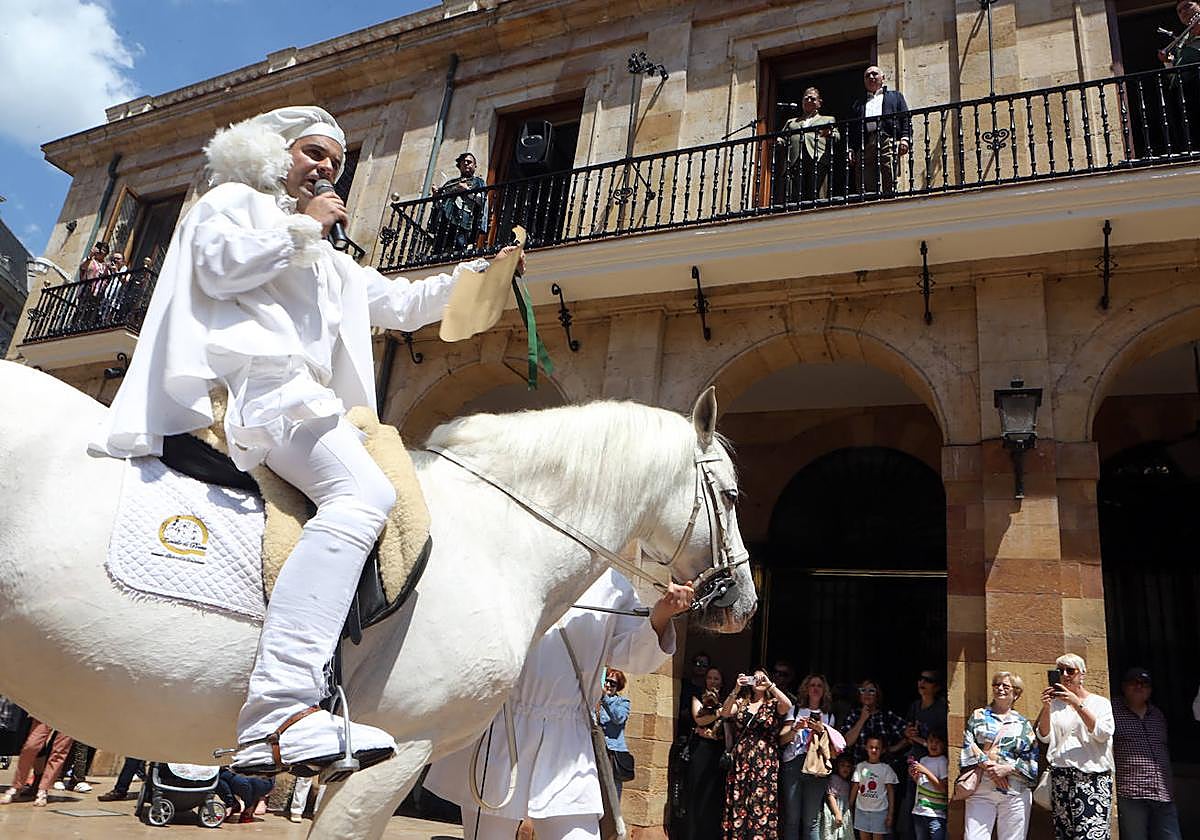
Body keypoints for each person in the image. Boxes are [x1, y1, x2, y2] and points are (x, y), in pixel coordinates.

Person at [90, 105, 522, 775]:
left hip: (307, 400)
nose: (325, 168)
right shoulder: (234, 200)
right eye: (313, 153)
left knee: (368, 494)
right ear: (279, 152)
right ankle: (281, 709)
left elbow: (404, 306)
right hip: (261, 390)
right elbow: (217, 267)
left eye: (336, 161)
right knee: (361, 494)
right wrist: (303, 224)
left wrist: (484, 274)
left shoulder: (331, 261)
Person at [424, 569, 692, 840]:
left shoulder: (611, 583)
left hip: (569, 740)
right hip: (503, 730)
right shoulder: (515, 556)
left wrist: (661, 615)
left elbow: (632, 657)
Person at [1036, 654, 1115, 840]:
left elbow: (1103, 733)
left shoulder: (1100, 703)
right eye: (1060, 671)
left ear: (1082, 674)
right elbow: (1044, 737)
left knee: (1091, 836)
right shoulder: (1054, 706)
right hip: (1061, 777)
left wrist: (1076, 703)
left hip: (1092, 778)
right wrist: (1047, 708)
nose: (1065, 675)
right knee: (1065, 835)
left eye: (1070, 670)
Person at [962, 671, 1039, 840]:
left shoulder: (1023, 724)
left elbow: (1032, 759)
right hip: (981, 788)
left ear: (1016, 693)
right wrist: (992, 769)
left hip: (1014, 791)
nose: (1000, 688)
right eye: (996, 685)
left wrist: (1007, 769)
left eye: (1006, 685)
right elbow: (968, 744)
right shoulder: (978, 715)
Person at [720, 668, 793, 840]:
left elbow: (788, 705)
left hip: (764, 761)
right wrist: (736, 689)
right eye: (756, 678)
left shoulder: (773, 704)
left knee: (761, 803)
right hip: (741, 760)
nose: (759, 681)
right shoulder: (741, 702)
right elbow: (724, 713)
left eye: (762, 677)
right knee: (740, 801)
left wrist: (771, 685)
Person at [1111, 667, 1182, 840]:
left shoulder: (1157, 714)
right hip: (1131, 792)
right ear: (1123, 686)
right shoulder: (1112, 710)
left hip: (1162, 792)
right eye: (1133, 683)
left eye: (1144, 684)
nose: (1139, 687)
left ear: (1150, 689)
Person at [780, 673, 846, 840]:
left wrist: (822, 730)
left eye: (819, 686)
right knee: (792, 819)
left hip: (817, 767)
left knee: (811, 820)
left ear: (824, 691)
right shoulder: (794, 710)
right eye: (812, 685)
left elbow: (834, 747)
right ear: (806, 689)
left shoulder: (829, 716)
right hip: (793, 764)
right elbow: (781, 740)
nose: (815, 689)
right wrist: (796, 728)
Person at [898, 670, 948, 839]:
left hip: (934, 764)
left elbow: (941, 740)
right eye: (920, 678)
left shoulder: (942, 709)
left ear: (937, 686)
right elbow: (909, 732)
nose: (922, 682)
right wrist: (908, 732)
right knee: (913, 805)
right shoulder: (915, 706)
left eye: (928, 680)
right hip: (916, 761)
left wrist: (921, 741)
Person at [847, 66, 911, 197]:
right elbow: (853, 128)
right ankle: (870, 202)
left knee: (888, 171)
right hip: (865, 142)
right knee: (864, 176)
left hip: (886, 138)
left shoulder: (895, 96)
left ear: (883, 78)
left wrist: (905, 138)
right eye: (867, 75)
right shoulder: (858, 103)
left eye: (874, 74)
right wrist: (851, 148)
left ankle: (889, 198)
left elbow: (905, 119)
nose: (871, 77)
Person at [685, 666, 727, 840]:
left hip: (717, 751)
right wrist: (719, 712)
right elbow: (699, 719)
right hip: (700, 750)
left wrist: (715, 735)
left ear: (722, 682)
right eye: (710, 678)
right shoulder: (697, 697)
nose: (713, 681)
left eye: (716, 678)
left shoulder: (727, 700)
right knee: (696, 792)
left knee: (713, 796)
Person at [778, 88, 840, 202]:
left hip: (817, 158)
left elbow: (837, 137)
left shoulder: (828, 119)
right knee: (794, 196)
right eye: (806, 98)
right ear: (802, 102)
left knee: (817, 195)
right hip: (795, 160)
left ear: (819, 103)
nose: (809, 100)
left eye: (813, 98)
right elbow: (782, 139)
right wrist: (778, 141)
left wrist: (830, 133)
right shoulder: (792, 122)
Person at [0, 718, 74, 807]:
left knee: (60, 751)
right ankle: (17, 786)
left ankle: (43, 789)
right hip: (47, 709)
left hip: (72, 713)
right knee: (31, 746)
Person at [841, 678, 907, 773]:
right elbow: (846, 742)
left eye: (871, 691)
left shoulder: (886, 715)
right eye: (863, 690)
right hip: (859, 772)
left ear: (877, 695)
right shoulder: (853, 715)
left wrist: (893, 749)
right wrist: (862, 719)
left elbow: (908, 734)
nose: (867, 694)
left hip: (885, 772)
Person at [432, 151, 488, 255]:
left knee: (460, 247)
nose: (466, 163)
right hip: (446, 219)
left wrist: (467, 190)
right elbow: (440, 204)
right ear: (459, 166)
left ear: (475, 166)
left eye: (469, 162)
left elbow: (482, 201)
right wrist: (436, 197)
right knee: (441, 248)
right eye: (463, 162)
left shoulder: (478, 182)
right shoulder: (450, 183)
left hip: (464, 220)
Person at [850, 734, 898, 840]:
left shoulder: (886, 769)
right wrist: (850, 806)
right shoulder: (860, 767)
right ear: (866, 748)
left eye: (877, 748)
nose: (874, 750)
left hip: (880, 811)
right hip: (861, 809)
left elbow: (890, 792)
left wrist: (890, 814)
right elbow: (855, 787)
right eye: (871, 747)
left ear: (882, 750)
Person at [907, 729, 948, 840]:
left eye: (937, 742)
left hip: (936, 814)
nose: (933, 745)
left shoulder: (942, 761)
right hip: (919, 811)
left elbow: (943, 788)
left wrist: (925, 771)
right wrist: (914, 776)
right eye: (931, 741)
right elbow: (921, 784)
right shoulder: (923, 760)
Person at [598, 667, 631, 797]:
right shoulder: (594, 701)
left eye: (613, 683)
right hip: (595, 749)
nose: (608, 685)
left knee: (612, 792)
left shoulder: (622, 702)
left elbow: (619, 718)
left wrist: (605, 698)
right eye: (607, 681)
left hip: (612, 751)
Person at [820, 753, 855, 840]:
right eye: (842, 765)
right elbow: (830, 796)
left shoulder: (848, 782)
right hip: (835, 810)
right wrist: (837, 813)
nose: (845, 768)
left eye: (848, 766)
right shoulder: (834, 778)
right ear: (837, 766)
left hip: (844, 812)